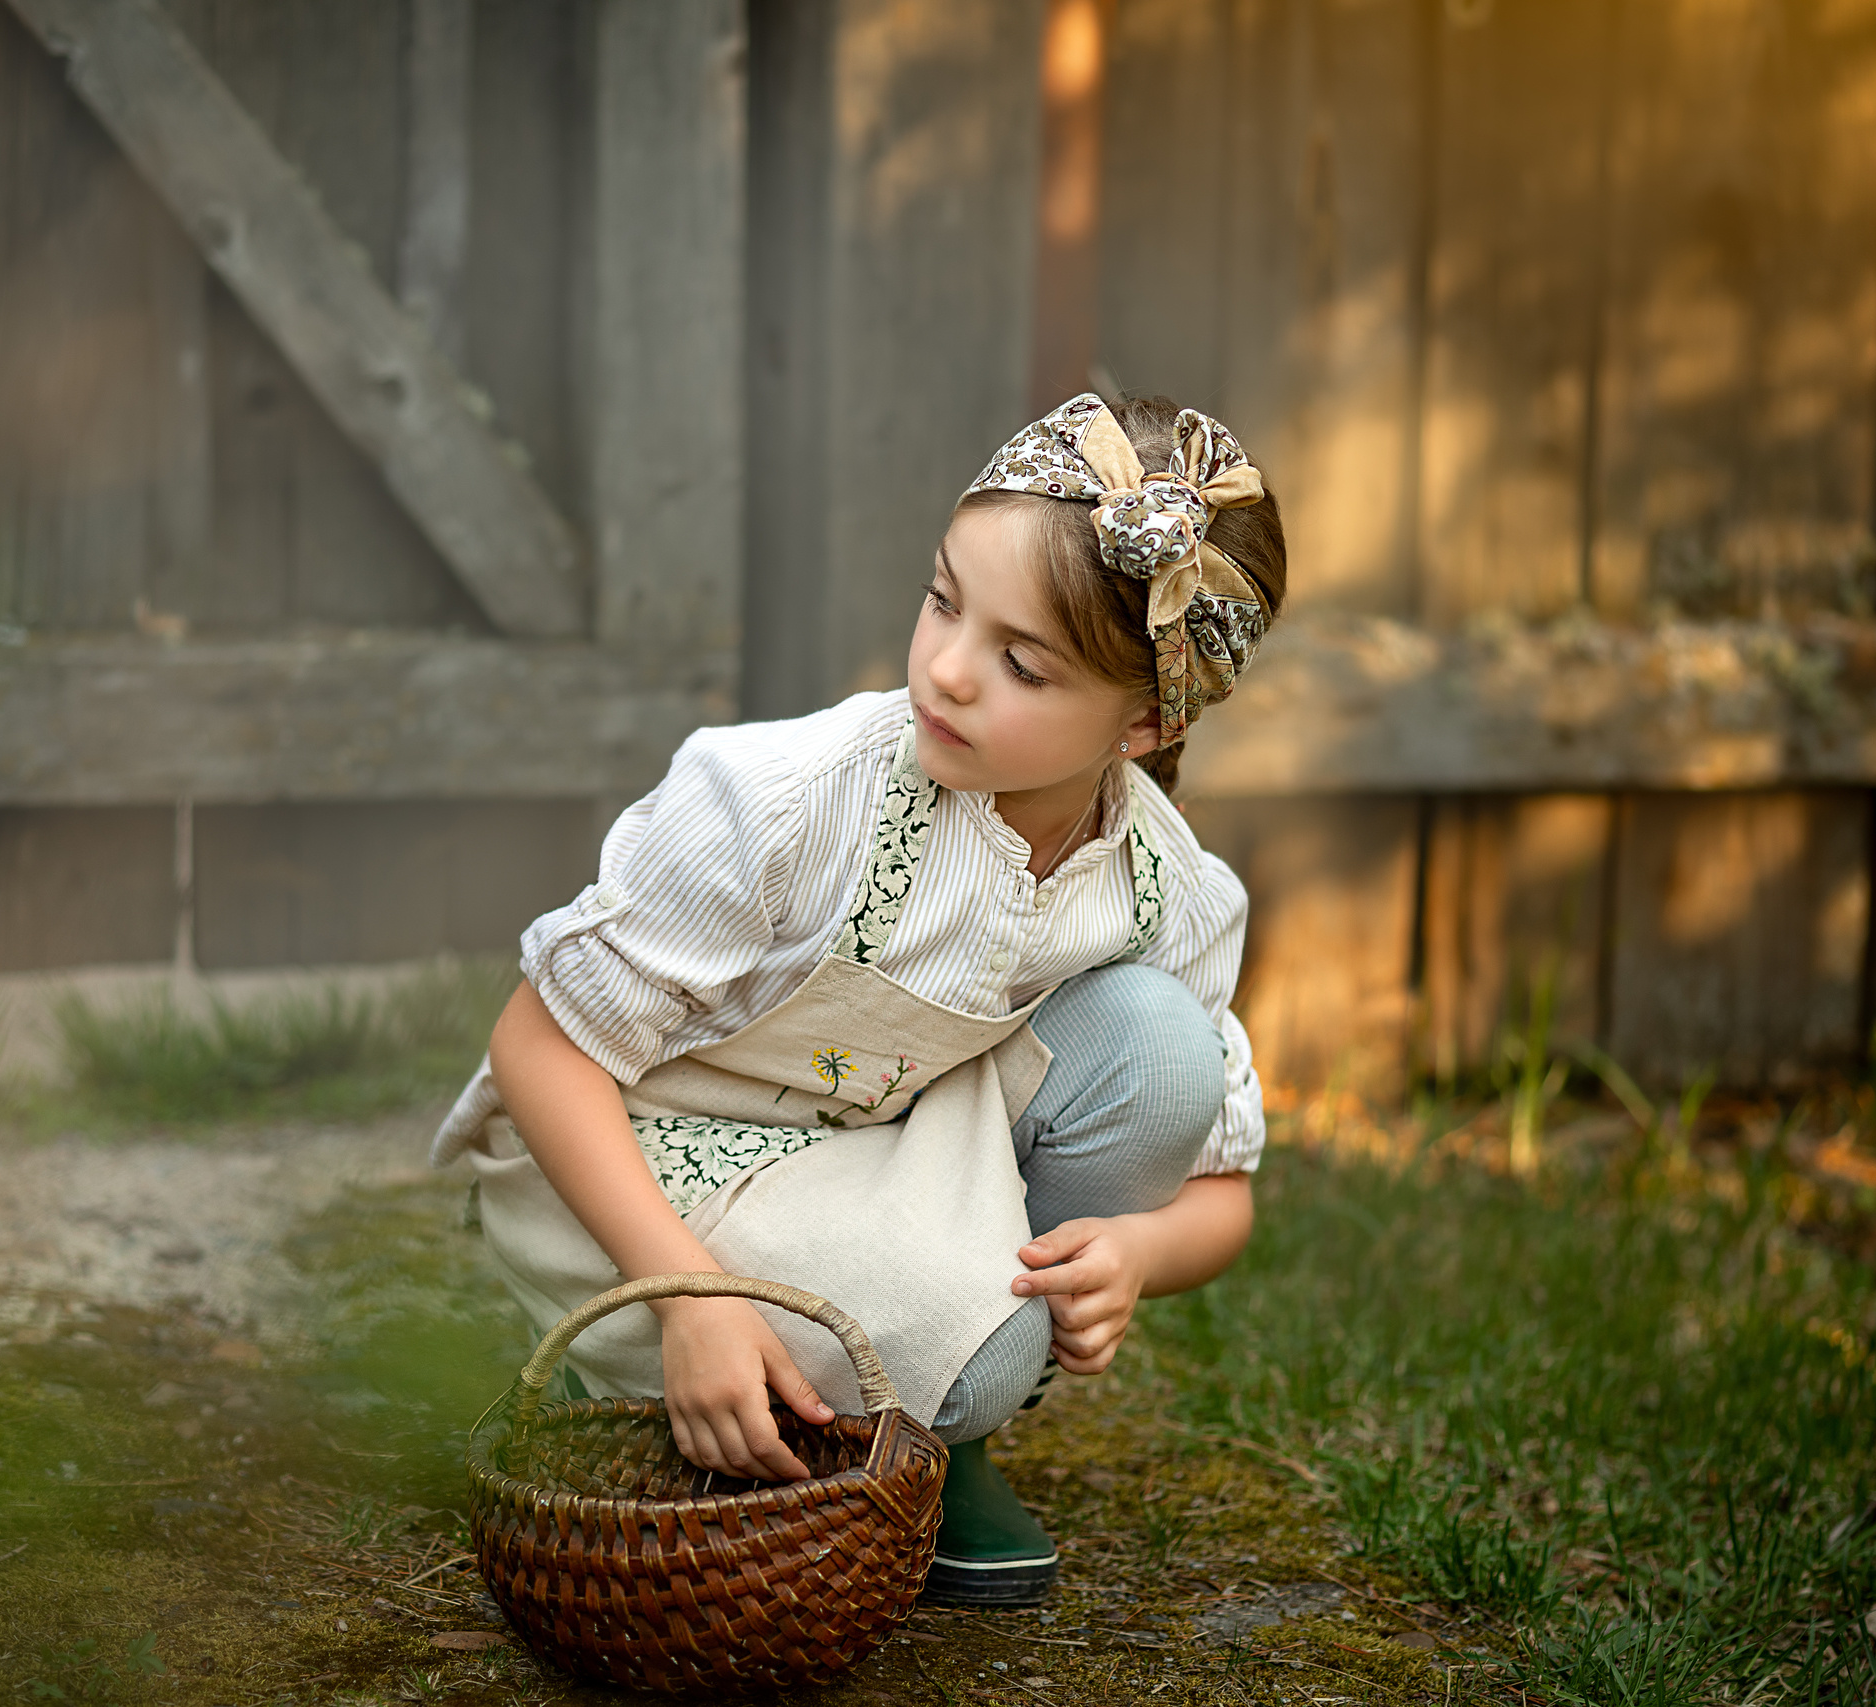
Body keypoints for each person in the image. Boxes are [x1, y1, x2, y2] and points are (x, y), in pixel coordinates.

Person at [431, 391, 1286, 1605]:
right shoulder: (782, 801)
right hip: (630, 1160)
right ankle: (632, 1368)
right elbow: (537, 1051)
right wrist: (692, 1297)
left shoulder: (1168, 891)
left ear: (1143, 721)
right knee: (989, 1345)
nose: (945, 668)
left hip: (875, 1152)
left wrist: (1139, 1250)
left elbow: (1221, 1193)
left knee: (1158, 1049)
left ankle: (931, 1436)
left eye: (1020, 663)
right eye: (943, 599)